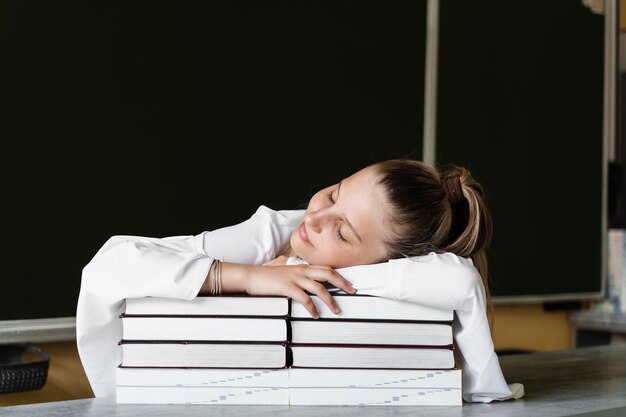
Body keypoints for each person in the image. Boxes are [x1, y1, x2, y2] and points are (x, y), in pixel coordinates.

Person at [76, 158, 524, 403]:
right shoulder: (279, 230)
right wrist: (242, 278)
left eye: (344, 231)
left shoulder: (405, 272)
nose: (317, 218)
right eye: (333, 193)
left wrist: (318, 274)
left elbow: (461, 285)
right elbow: (110, 265)